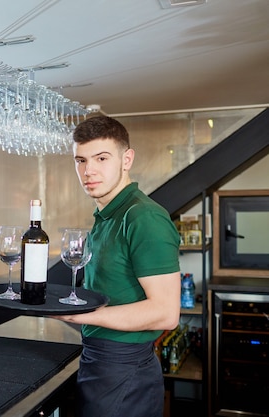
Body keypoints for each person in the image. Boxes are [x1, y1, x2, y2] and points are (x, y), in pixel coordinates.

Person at [53, 116, 181, 417]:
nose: (88, 170)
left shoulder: (142, 217)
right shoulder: (107, 216)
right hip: (99, 358)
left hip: (125, 367)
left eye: (101, 158)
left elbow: (166, 313)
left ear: (127, 159)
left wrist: (81, 314)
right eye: (80, 160)